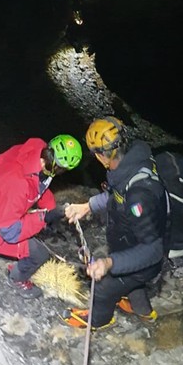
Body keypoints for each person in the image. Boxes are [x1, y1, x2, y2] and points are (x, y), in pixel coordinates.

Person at [62, 116, 168, 330]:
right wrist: (87, 206)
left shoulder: (139, 196)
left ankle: (99, 320)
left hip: (144, 256)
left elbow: (152, 250)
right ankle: (145, 313)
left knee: (102, 288)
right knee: (131, 282)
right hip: (131, 244)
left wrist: (110, 263)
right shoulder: (133, 166)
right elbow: (116, 196)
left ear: (102, 156)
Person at [0, 134, 82, 298]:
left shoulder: (34, 153)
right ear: (59, 168)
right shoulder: (20, 184)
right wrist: (43, 218)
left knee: (31, 228)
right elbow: (10, 232)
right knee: (39, 253)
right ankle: (16, 278)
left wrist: (52, 209)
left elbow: (40, 187)